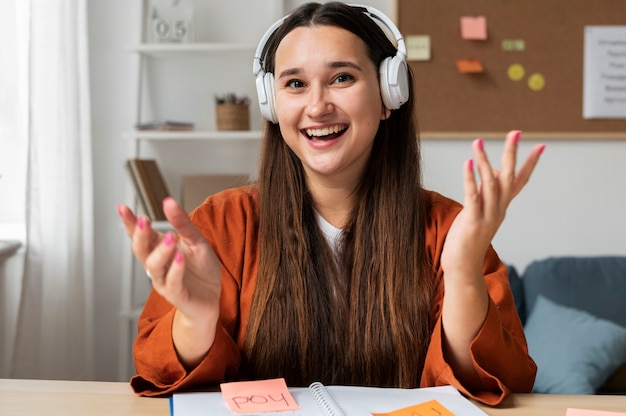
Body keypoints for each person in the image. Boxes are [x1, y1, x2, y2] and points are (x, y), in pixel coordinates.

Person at [118, 2, 543, 406]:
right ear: (271, 104)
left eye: (342, 78)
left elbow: (490, 381)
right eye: (295, 84)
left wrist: (464, 273)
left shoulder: (450, 229)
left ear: (388, 96)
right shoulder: (224, 223)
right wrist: (196, 317)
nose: (317, 106)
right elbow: (162, 373)